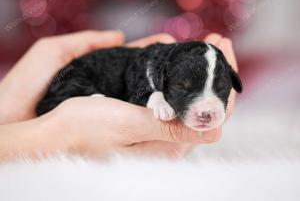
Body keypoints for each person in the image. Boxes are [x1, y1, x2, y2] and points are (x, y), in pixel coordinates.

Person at [0, 30, 237, 162]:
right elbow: (138, 92)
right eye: (185, 88)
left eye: (220, 88)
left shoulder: (164, 67)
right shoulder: (147, 69)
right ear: (162, 77)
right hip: (76, 85)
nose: (206, 109)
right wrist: (55, 135)